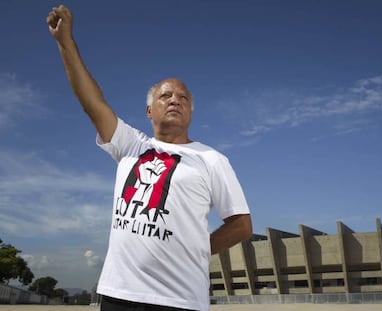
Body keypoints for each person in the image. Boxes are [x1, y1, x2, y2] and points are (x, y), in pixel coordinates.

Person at [46, 5, 252, 311]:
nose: (175, 100)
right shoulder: (131, 145)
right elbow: (92, 103)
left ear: (191, 112)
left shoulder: (212, 160)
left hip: (179, 299)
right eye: (166, 96)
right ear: (149, 111)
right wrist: (65, 42)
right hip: (119, 294)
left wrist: (196, 250)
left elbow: (241, 224)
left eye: (183, 98)